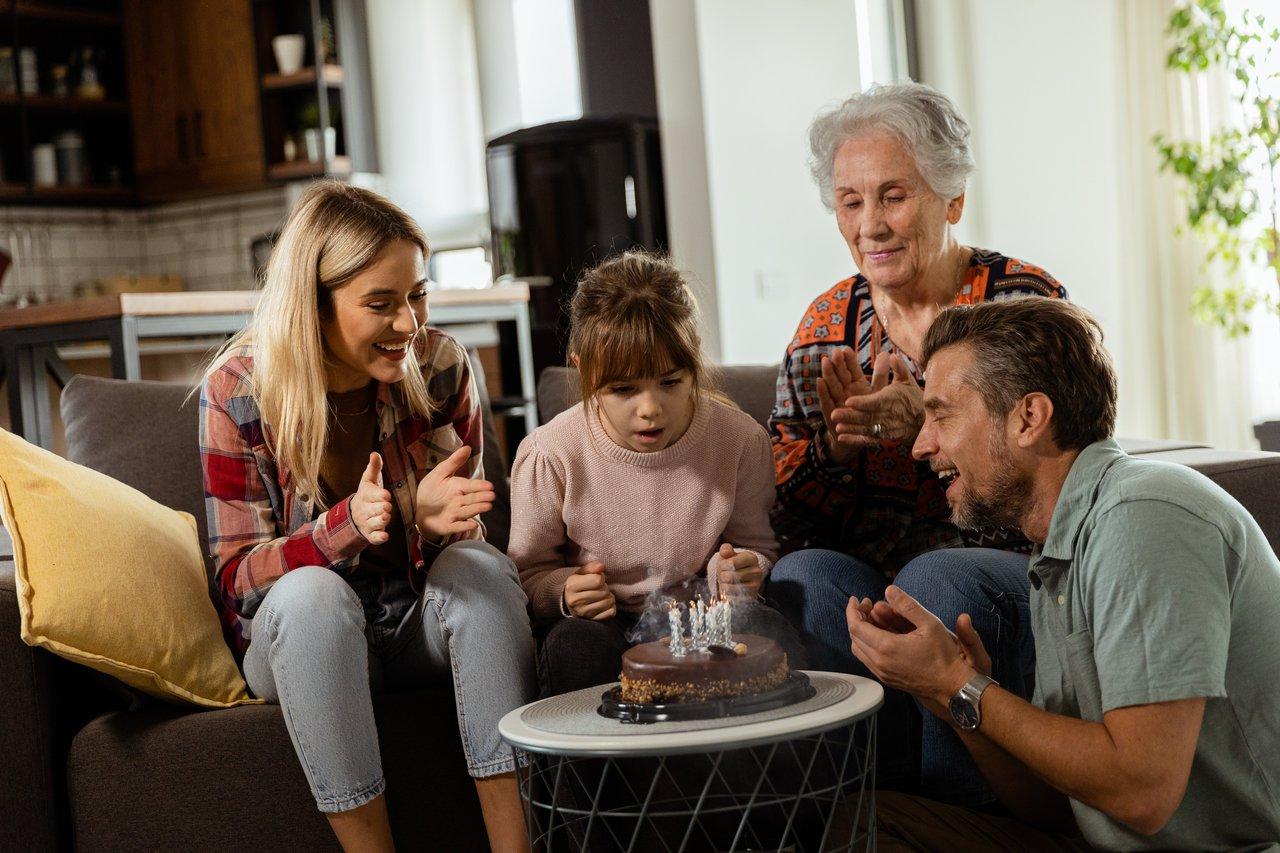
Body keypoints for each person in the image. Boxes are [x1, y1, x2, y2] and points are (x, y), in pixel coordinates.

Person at [848, 297, 1280, 850]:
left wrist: (959, 684)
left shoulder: (1140, 518)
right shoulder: (1058, 550)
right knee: (859, 820)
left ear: (1028, 418)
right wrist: (952, 698)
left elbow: (1142, 794)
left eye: (942, 414)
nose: (920, 445)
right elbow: (1053, 808)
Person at [199, 182, 535, 853]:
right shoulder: (239, 389)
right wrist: (346, 526)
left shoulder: (441, 366)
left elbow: (463, 530)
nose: (408, 324)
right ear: (313, 304)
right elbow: (238, 577)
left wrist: (434, 527)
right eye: (381, 304)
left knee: (481, 568)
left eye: (417, 295)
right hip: (301, 638)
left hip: (416, 624)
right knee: (313, 598)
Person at [765, 80, 1065, 804]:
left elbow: (1059, 482)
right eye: (850, 201)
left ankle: (963, 823)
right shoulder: (824, 331)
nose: (870, 224)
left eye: (893, 196)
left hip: (1008, 571)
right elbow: (790, 515)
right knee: (803, 577)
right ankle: (864, 820)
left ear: (952, 199)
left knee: (936, 582)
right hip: (878, 575)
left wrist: (931, 425)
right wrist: (838, 453)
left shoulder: (1019, 306)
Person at [508, 251, 807, 698]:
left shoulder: (740, 440)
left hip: (705, 617)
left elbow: (757, 547)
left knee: (767, 629)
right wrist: (565, 592)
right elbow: (528, 574)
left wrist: (743, 570)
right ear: (584, 369)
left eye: (670, 382)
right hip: (604, 625)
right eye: (623, 389)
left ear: (695, 358)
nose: (650, 409)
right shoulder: (549, 454)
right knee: (574, 647)